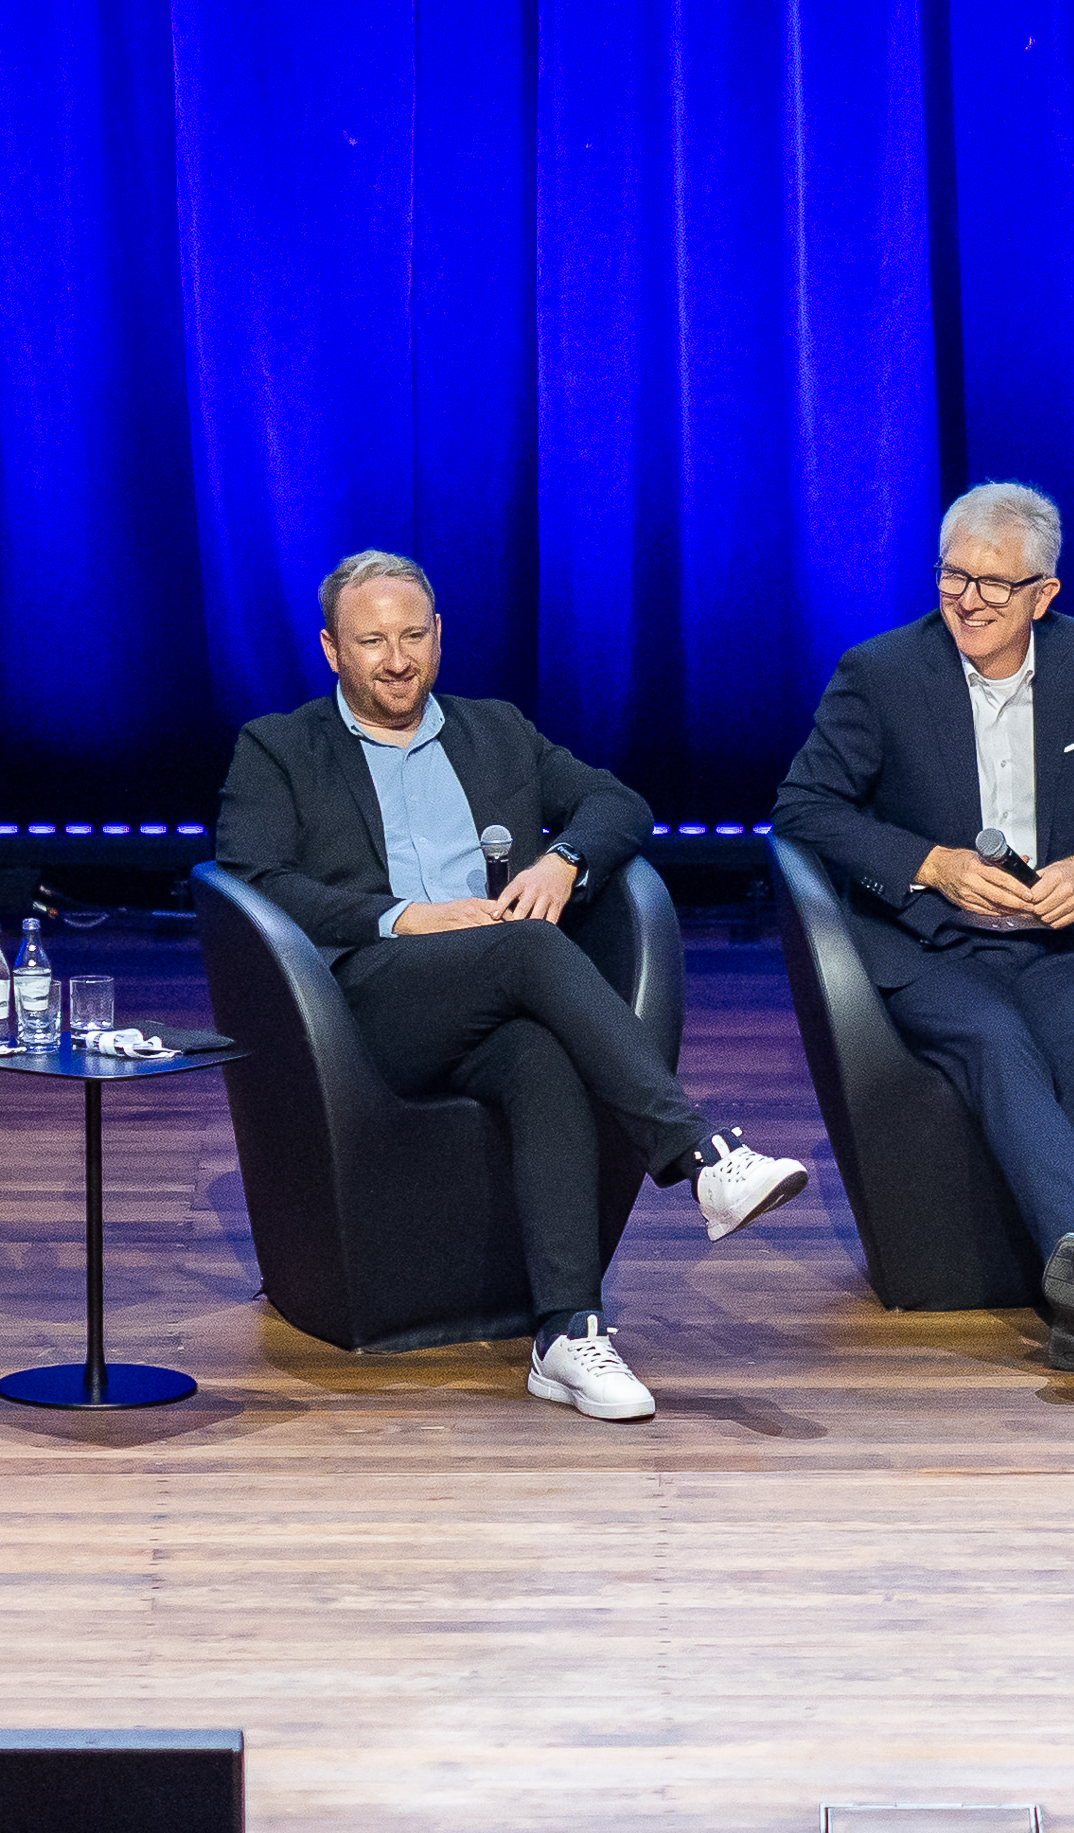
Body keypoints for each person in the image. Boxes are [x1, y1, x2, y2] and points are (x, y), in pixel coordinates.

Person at [214, 550, 806, 1425]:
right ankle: (701, 1155)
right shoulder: (279, 746)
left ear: (440, 636)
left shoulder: (495, 730)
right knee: (528, 951)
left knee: (539, 1056)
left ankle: (565, 1334)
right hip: (359, 1006)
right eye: (371, 640)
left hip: (488, 994)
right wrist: (401, 918)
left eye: (414, 634)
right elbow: (255, 877)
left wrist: (564, 858)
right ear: (332, 650)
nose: (396, 658)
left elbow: (618, 804)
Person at [770, 481, 1074, 1372]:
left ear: (1044, 596)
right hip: (933, 944)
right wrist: (932, 864)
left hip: (1061, 940)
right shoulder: (882, 673)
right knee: (997, 1042)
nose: (968, 600)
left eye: (993, 585)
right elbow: (803, 807)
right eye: (952, 577)